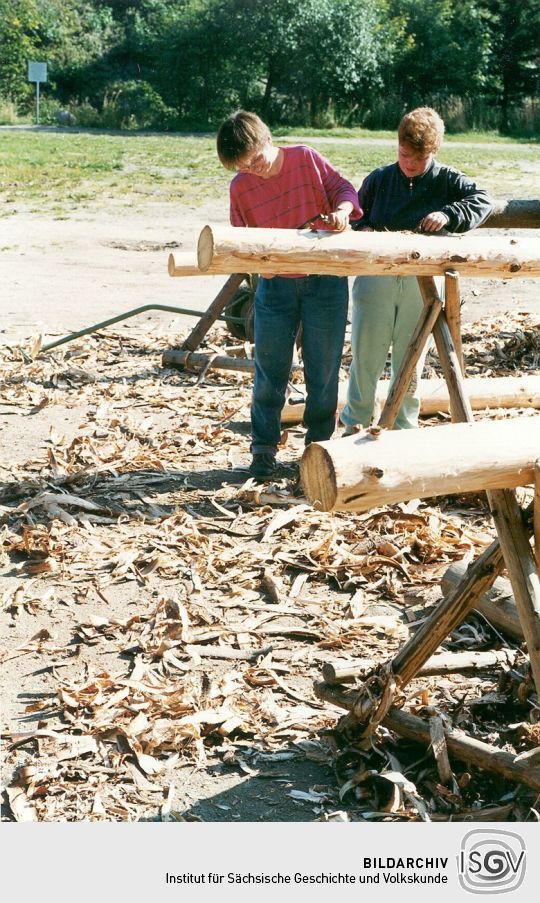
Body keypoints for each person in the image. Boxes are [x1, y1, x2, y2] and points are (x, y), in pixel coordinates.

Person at [216, 109, 362, 478]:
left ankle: (319, 450)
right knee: (270, 370)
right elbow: (243, 238)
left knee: (323, 369)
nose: (253, 171)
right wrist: (257, 263)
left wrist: (342, 212)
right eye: (243, 167)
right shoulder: (240, 187)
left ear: (268, 140)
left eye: (256, 161)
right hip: (275, 285)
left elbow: (344, 189)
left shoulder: (304, 158)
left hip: (324, 280)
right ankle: (263, 450)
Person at [341, 106, 493, 434]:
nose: (409, 164)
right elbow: (357, 216)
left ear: (434, 152)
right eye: (404, 155)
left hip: (421, 283)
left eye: (418, 159)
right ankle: (354, 423)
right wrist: (364, 229)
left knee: (411, 360)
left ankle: (404, 426)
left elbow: (483, 200)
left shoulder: (448, 180)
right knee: (366, 355)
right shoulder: (380, 179)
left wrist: (449, 214)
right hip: (377, 276)